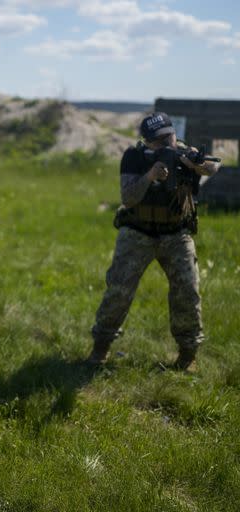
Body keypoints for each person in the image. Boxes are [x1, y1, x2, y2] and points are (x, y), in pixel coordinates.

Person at [88, 112, 220, 371]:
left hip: (176, 233)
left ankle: (188, 353)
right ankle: (100, 347)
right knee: (118, 291)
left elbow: (214, 167)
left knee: (187, 291)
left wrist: (195, 165)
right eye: (158, 140)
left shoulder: (186, 153)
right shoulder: (135, 157)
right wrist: (149, 176)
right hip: (138, 232)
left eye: (168, 136)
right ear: (147, 142)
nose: (165, 143)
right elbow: (128, 198)